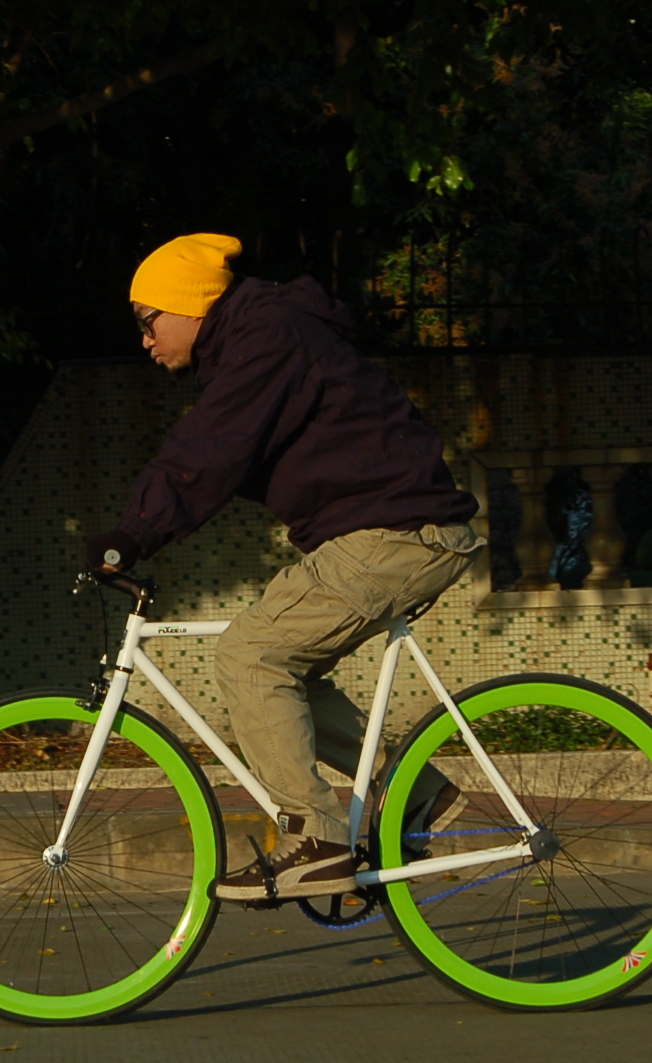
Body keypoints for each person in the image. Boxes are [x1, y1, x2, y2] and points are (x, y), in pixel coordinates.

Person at [84, 233, 483, 905]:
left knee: (251, 655)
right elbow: (221, 452)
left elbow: (210, 447)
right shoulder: (255, 340)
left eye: (148, 321)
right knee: (287, 675)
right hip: (390, 531)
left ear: (189, 304)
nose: (145, 341)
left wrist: (133, 534)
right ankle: (417, 795)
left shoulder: (267, 337)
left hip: (396, 534)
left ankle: (317, 840)